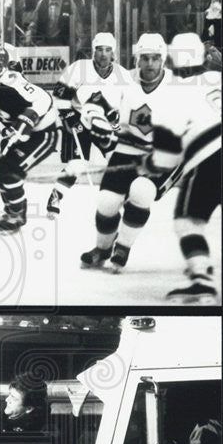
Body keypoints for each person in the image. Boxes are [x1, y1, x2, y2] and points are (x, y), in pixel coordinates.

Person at [79, 32, 173, 272]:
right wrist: (96, 121)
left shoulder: (177, 87)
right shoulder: (123, 81)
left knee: (141, 191)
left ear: (163, 59)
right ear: (136, 59)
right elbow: (95, 104)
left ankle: (123, 246)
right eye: (145, 58)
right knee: (106, 201)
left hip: (162, 157)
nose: (149, 63)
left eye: (154, 58)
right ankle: (102, 248)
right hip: (127, 150)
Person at [140, 32, 222, 303]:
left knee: (188, 223)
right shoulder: (222, 79)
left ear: (171, 59)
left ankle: (201, 280)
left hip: (210, 158)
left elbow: (166, 158)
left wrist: (150, 163)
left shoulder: (170, 94)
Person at [0, 45, 59, 234]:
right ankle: (14, 212)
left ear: (2, 66)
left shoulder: (11, 81)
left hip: (44, 133)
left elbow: (44, 99)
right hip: (24, 134)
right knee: (3, 172)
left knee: (9, 172)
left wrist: (28, 118)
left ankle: (17, 215)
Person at [47, 32, 133, 214]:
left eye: (108, 50)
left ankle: (120, 201)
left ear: (113, 53)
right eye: (99, 49)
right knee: (78, 163)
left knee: (116, 163)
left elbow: (132, 105)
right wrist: (71, 120)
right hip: (80, 121)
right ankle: (56, 195)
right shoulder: (79, 68)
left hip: (108, 125)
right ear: (93, 51)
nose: (103, 54)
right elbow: (60, 96)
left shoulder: (123, 75)